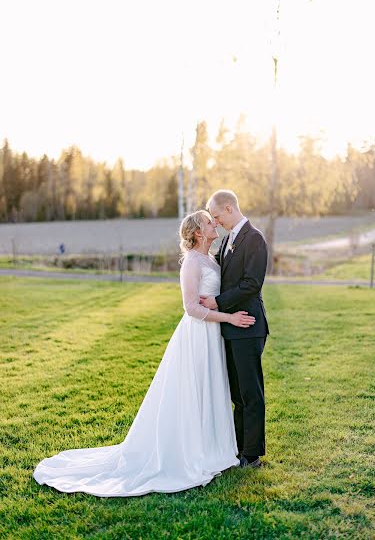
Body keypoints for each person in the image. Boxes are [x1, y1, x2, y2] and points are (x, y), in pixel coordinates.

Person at [33, 210, 256, 497]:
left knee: (212, 389)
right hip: (198, 335)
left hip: (213, 337)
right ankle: (192, 452)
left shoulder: (211, 258)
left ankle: (214, 447)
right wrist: (229, 318)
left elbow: (214, 297)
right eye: (207, 221)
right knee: (195, 390)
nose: (214, 222)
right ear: (198, 232)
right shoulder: (191, 262)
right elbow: (191, 308)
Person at [202, 190, 269, 469]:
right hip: (231, 326)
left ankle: (252, 455)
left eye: (216, 216)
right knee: (237, 394)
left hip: (248, 325)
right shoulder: (229, 238)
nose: (215, 222)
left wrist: (218, 302)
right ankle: (240, 448)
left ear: (229, 208)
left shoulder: (254, 239)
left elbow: (251, 284)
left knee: (250, 393)